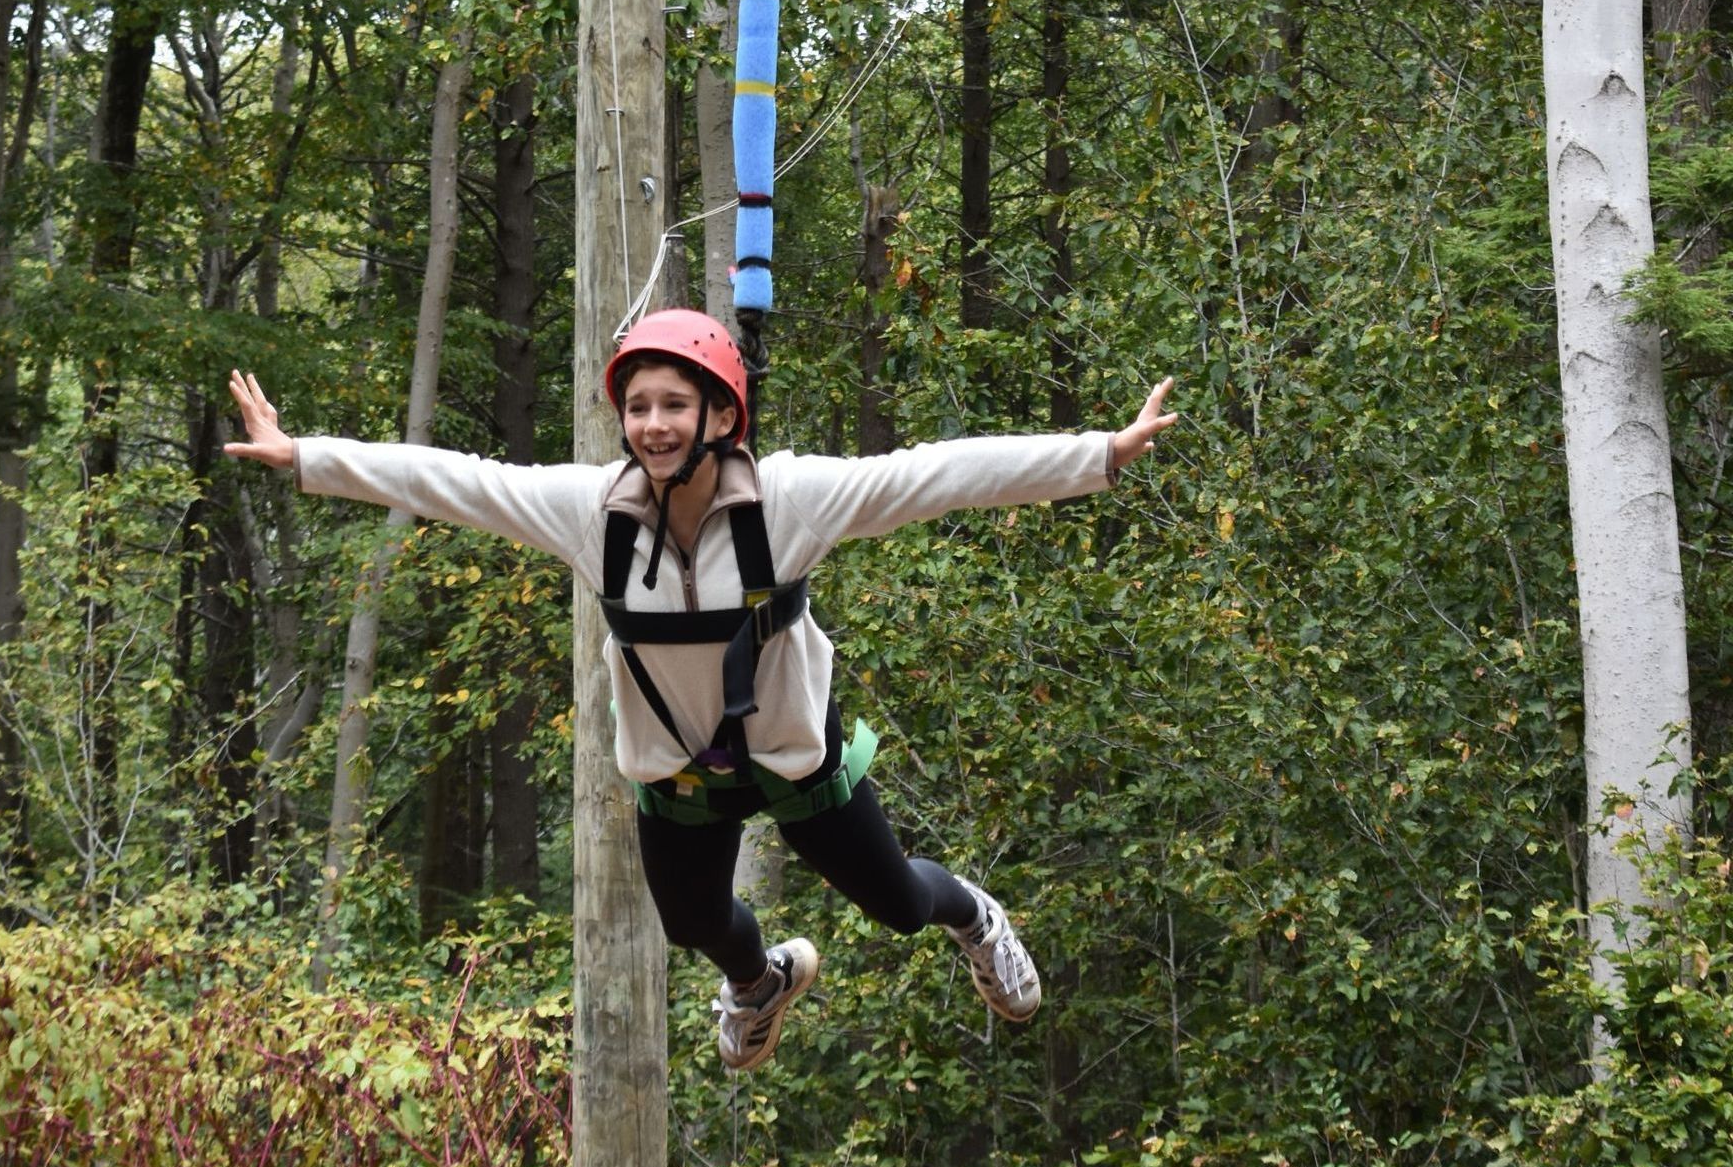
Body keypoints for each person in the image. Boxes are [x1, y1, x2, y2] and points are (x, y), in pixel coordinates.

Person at [226, 312, 1177, 1071]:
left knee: (895, 904)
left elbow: (934, 476)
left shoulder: (789, 501)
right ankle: (760, 984)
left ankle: (973, 915)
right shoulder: (593, 513)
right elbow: (456, 483)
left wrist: (1097, 454)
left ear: (721, 414)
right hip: (678, 772)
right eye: (638, 406)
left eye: (674, 404)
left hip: (794, 756)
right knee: (693, 925)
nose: (652, 425)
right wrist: (304, 455)